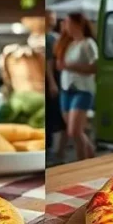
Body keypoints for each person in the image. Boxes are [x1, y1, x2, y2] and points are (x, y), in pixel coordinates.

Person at [55, 12, 97, 161]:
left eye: (67, 22)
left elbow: (94, 68)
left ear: (77, 24)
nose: (65, 26)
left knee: (74, 131)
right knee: (75, 131)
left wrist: (70, 66)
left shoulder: (88, 44)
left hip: (82, 90)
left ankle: (81, 162)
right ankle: (90, 153)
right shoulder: (69, 44)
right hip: (66, 89)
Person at [44, 11, 66, 155]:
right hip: (51, 81)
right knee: (51, 113)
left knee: (54, 114)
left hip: (59, 80)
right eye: (50, 16)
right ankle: (49, 147)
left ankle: (53, 148)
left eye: (54, 17)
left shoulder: (56, 37)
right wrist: (52, 82)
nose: (54, 19)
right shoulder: (47, 38)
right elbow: (48, 62)